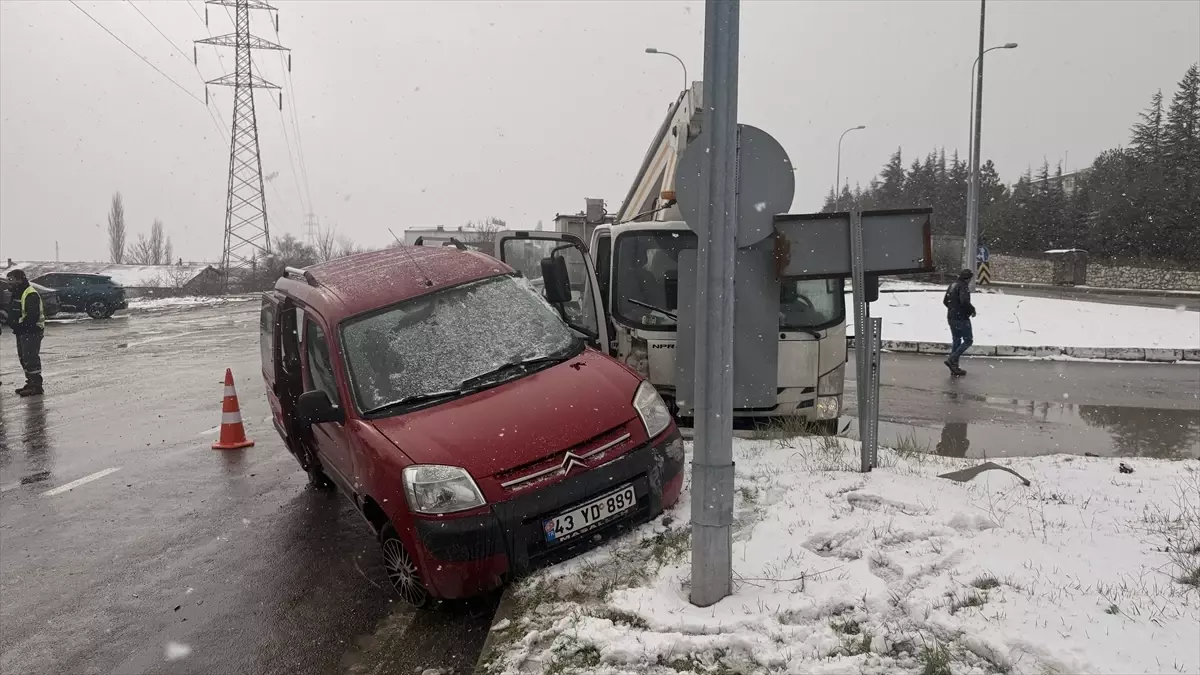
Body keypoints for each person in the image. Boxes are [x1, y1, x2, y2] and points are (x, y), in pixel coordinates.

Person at [6, 269, 45, 396]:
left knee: (30, 358)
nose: (9, 283)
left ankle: (36, 386)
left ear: (20, 279)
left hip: (31, 331)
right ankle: (30, 382)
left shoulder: (30, 293)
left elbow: (32, 316)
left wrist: (21, 326)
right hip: (21, 331)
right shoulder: (17, 292)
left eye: (11, 279)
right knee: (23, 358)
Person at [942, 268, 977, 376]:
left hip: (951, 317)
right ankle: (952, 359)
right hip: (961, 318)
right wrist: (972, 310)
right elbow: (964, 301)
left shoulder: (953, 285)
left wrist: (953, 309)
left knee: (956, 340)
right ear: (969, 278)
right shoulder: (963, 286)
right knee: (968, 340)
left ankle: (954, 367)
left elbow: (945, 301)